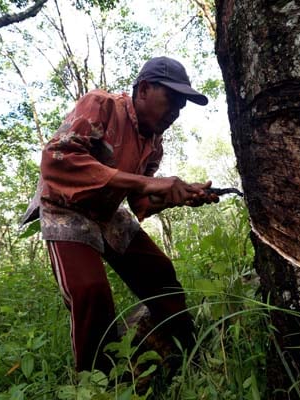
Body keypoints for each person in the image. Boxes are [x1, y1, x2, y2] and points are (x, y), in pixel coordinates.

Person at [21, 56, 218, 373]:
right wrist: (149, 181)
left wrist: (178, 196)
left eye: (182, 106)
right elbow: (57, 159)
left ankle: (185, 354)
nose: (175, 112)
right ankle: (98, 383)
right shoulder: (101, 105)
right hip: (65, 205)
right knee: (90, 291)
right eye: (171, 99)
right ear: (143, 89)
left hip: (107, 210)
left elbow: (141, 204)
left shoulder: (153, 143)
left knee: (159, 272)